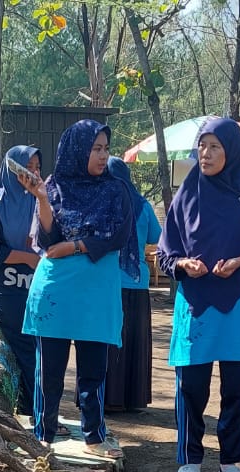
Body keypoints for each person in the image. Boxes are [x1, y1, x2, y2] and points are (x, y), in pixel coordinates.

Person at [157, 120, 240, 472]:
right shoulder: (187, 192)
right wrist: (184, 264)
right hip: (195, 303)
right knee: (190, 386)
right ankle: (190, 457)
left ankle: (230, 460)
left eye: (214, 147)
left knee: (236, 386)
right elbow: (166, 254)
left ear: (232, 151)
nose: (206, 154)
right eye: (202, 147)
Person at [19, 119, 138, 458]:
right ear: (77, 150)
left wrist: (76, 247)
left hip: (96, 292)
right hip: (56, 289)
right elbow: (46, 240)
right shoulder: (54, 185)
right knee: (49, 371)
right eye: (96, 149)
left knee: (93, 371)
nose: (103, 156)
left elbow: (119, 235)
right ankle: (43, 434)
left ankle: (94, 435)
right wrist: (42, 198)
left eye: (106, 149)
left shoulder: (116, 189)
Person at [0, 145, 43, 425]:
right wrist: (26, 258)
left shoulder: (41, 200)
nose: (36, 173)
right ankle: (34, 413)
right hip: (8, 290)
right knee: (27, 349)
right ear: (15, 168)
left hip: (38, 289)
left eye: (39, 167)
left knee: (45, 349)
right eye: (31, 167)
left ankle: (39, 412)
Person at [105, 156, 160, 416]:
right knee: (135, 341)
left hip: (106, 283)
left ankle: (107, 397)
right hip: (137, 283)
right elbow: (157, 237)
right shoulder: (142, 205)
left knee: (108, 339)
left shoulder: (101, 203)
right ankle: (133, 398)